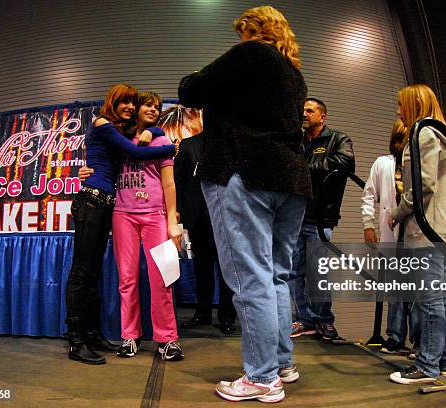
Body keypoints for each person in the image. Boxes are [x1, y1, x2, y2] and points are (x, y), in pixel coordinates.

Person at [178, 5, 310, 403]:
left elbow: (190, 89)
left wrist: (204, 76)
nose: (239, 39)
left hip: (242, 171)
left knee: (249, 277)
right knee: (276, 276)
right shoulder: (294, 74)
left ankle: (261, 377)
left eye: (242, 32)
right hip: (289, 179)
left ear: (254, 31)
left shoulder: (250, 54)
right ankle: (281, 364)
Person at [66, 84, 176, 365]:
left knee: (156, 279)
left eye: (156, 107)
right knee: (107, 277)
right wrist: (170, 147)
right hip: (109, 208)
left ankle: (163, 339)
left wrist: (160, 135)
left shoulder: (147, 137)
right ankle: (101, 339)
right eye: (138, 104)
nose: (147, 109)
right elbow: (122, 155)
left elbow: (168, 181)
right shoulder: (111, 130)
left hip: (140, 212)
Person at [387, 84, 446, 384]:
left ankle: (428, 366)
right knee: (439, 298)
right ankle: (441, 361)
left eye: (402, 105)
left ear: (415, 105)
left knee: (430, 299)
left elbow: (422, 187)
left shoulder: (423, 133)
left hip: (428, 230)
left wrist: (395, 213)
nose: (398, 110)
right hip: (441, 228)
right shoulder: (438, 133)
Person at [288, 97, 355, 342]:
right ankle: (304, 320)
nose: (304, 114)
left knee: (318, 272)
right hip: (293, 217)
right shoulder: (295, 141)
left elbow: (344, 162)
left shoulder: (338, 139)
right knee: (294, 272)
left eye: (310, 110)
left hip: (320, 219)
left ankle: (323, 320)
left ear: (322, 116)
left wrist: (304, 167)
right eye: (302, 110)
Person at [361, 119, 419, 354]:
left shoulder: (416, 164)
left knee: (416, 292)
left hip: (415, 236)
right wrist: (368, 224)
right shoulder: (382, 164)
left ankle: (418, 341)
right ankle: (395, 337)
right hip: (391, 236)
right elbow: (368, 195)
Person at [175, 131, 237, 334]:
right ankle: (202, 314)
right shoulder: (188, 145)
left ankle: (227, 317)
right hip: (197, 216)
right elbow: (179, 181)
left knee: (226, 269)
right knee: (201, 268)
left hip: (226, 216)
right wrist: (180, 214)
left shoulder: (232, 143)